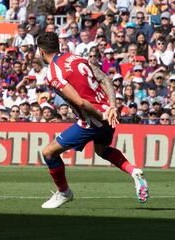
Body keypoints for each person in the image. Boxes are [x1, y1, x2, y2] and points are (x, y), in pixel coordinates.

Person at [36, 32, 149, 209]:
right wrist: (112, 107)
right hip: (109, 114)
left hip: (93, 120)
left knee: (49, 152)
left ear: (41, 52)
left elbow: (80, 102)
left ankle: (64, 192)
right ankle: (134, 171)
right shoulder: (76, 58)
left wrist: (101, 116)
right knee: (101, 149)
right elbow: (104, 78)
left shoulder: (53, 74)